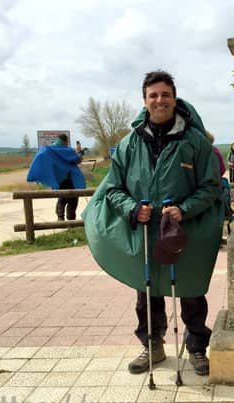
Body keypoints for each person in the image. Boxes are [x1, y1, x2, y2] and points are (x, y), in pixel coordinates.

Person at [82, 70, 223, 376]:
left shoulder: (195, 142)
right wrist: (133, 209)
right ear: (144, 101)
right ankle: (153, 346)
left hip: (185, 228)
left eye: (165, 94)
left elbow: (211, 187)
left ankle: (197, 348)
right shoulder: (130, 143)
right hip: (146, 228)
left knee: (191, 289)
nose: (160, 100)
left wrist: (184, 209)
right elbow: (114, 188)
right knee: (147, 290)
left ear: (174, 99)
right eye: (153, 95)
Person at [26, 133, 85, 220]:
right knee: (72, 200)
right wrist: (79, 152)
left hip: (58, 180)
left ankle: (60, 219)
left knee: (61, 198)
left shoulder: (48, 150)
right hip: (70, 179)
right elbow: (76, 160)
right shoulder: (67, 150)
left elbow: (40, 159)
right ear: (66, 141)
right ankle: (71, 222)